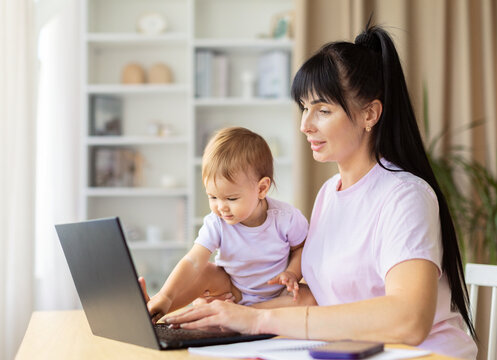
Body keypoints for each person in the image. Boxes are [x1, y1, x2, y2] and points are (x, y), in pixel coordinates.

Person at [160, 24, 478, 359]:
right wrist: (226, 316)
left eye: (323, 110)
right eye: (304, 108)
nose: (305, 124)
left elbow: (410, 320)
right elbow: (317, 298)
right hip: (351, 351)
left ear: (370, 113)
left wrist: (256, 319)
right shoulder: (329, 193)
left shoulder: (405, 196)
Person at [139, 126, 310, 322]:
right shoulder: (216, 223)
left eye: (231, 198)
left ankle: (246, 312)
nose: (221, 207)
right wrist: (165, 295)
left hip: (276, 295)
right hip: (232, 290)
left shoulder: (286, 218)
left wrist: (292, 273)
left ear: (262, 188)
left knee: (310, 298)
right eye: (212, 197)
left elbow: (300, 249)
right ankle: (157, 310)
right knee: (205, 270)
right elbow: (193, 261)